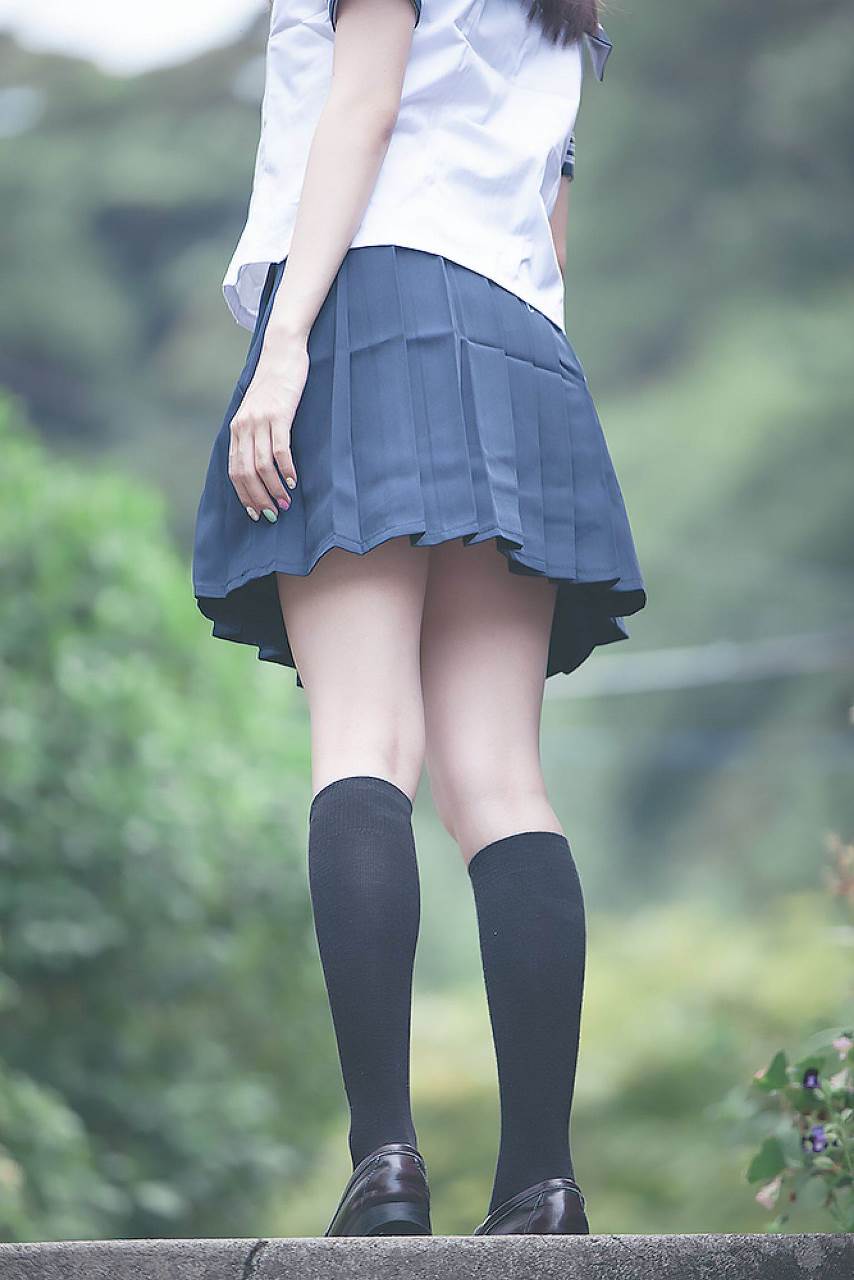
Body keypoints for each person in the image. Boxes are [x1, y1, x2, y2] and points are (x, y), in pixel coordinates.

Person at [191, 0, 647, 1239]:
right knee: (499, 780)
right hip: (520, 339)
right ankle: (540, 1183)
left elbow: (366, 101)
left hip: (369, 301)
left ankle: (384, 1158)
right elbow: (550, 217)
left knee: (364, 738)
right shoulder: (575, 10)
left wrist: (285, 343)